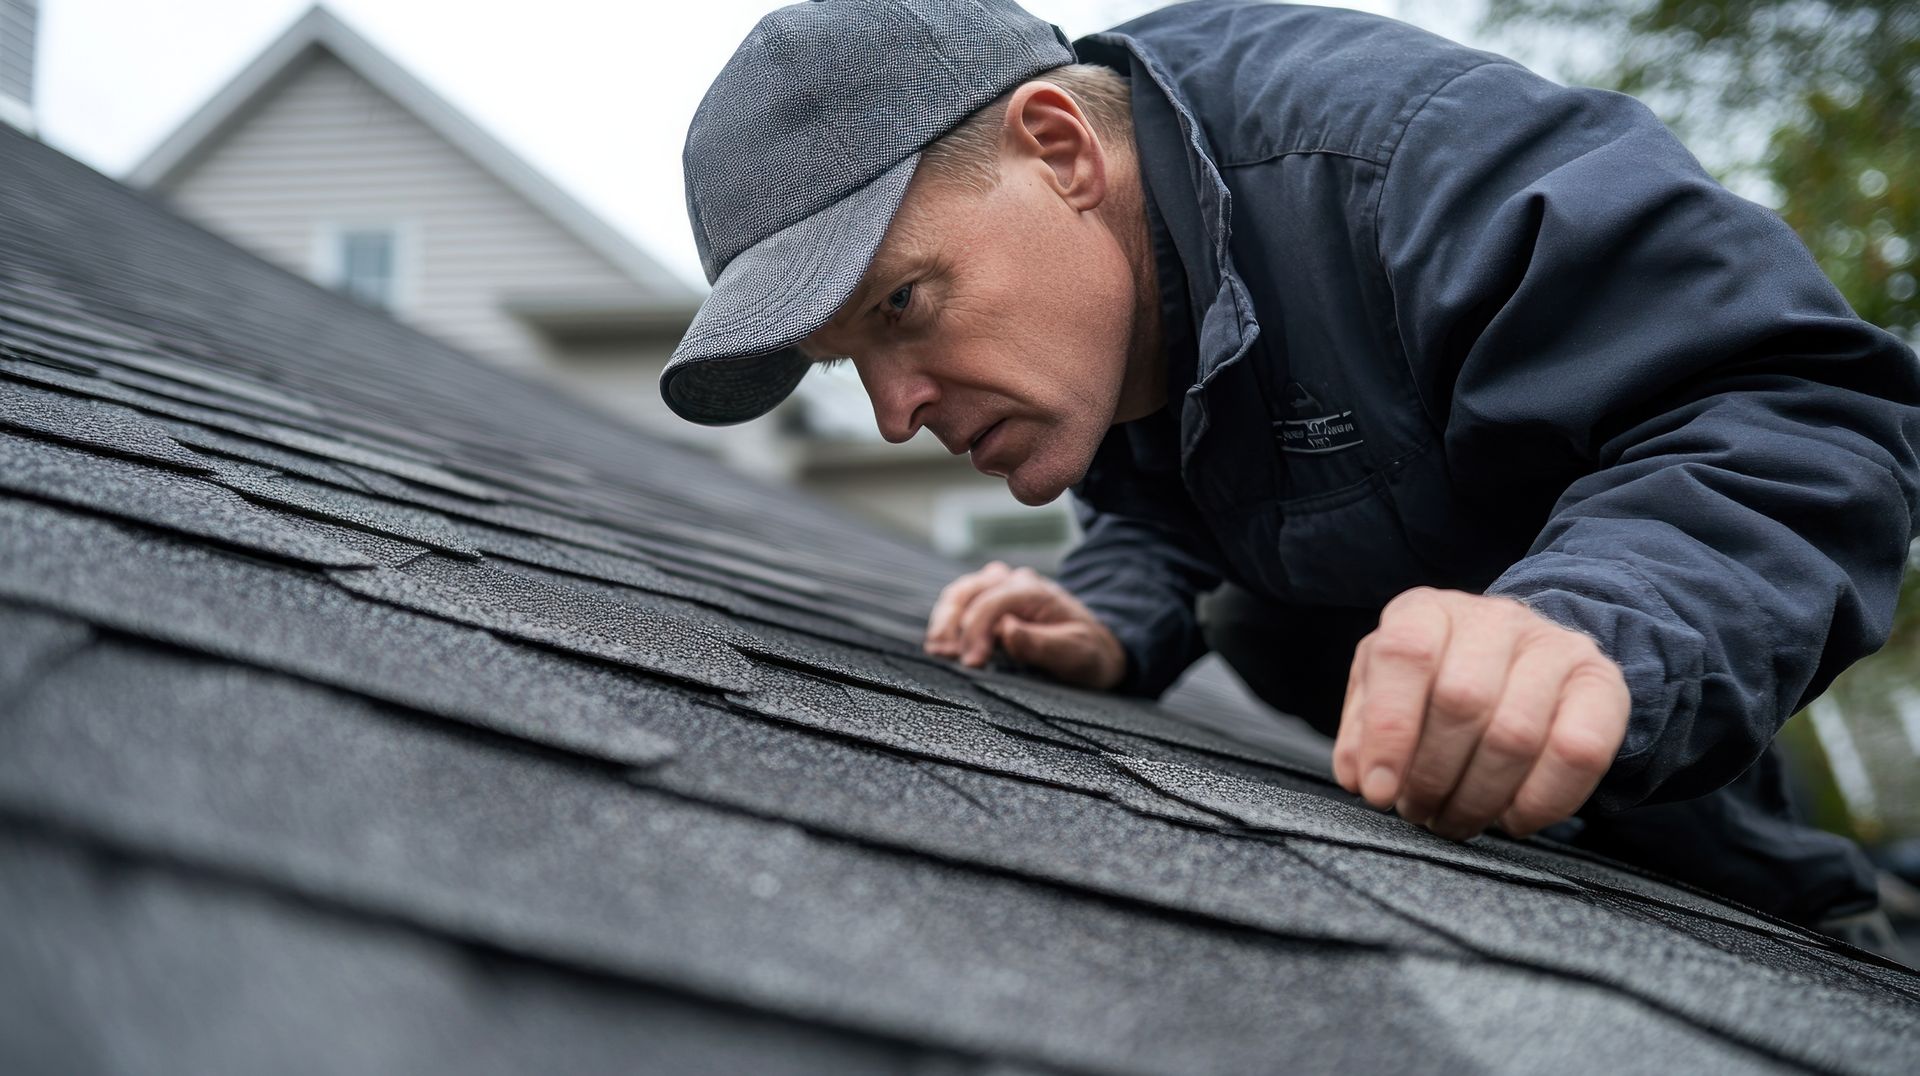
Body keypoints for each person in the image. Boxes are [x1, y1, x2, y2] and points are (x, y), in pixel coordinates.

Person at [660, 0, 1920, 934]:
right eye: (850, 366)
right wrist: (1117, 608)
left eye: (902, 306)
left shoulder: (1405, 165)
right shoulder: (1108, 308)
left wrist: (1592, 622)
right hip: (1500, 829)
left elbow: (1798, 405)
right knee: (1254, 618)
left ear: (1059, 149)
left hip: (1701, 779)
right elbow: (1192, 475)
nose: (895, 413)